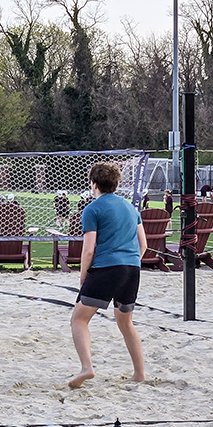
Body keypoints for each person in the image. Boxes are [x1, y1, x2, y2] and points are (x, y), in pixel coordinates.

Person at [69, 162, 148, 388]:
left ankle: (87, 367)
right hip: (132, 268)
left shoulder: (92, 209)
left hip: (106, 268)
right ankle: (140, 373)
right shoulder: (132, 208)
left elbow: (89, 249)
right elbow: (143, 244)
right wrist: (129, 263)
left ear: (93, 183)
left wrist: (84, 276)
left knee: (79, 319)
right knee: (126, 323)